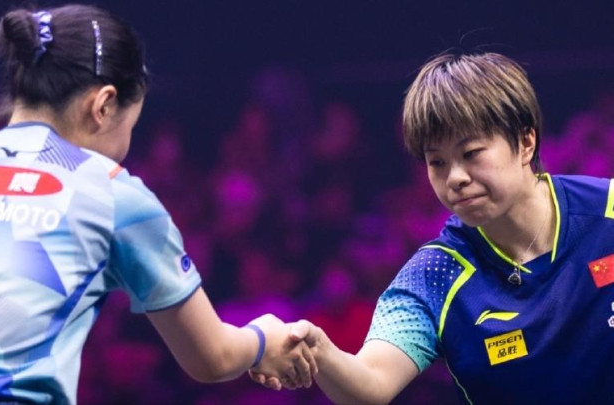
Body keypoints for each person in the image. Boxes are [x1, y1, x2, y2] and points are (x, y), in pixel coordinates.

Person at [0, 5, 316, 404]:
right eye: (130, 127)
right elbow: (213, 357)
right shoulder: (115, 194)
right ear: (104, 105)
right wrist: (263, 339)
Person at [252, 51, 614, 403]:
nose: (455, 178)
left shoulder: (607, 210)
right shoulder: (435, 276)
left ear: (525, 142)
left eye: (471, 153)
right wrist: (321, 349)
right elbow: (372, 383)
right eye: (437, 162)